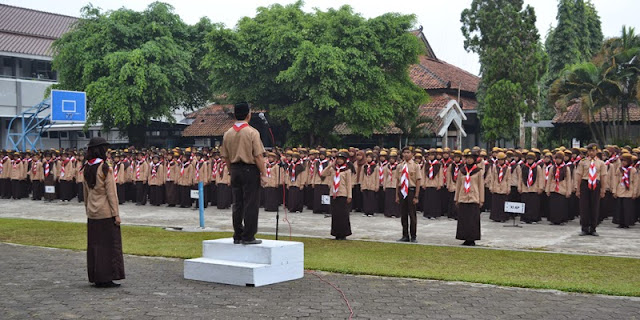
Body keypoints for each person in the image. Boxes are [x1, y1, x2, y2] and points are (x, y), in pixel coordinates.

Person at [220, 102, 267, 245]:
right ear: (249, 115)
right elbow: (258, 156)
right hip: (249, 169)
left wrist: (230, 171)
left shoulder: (228, 133)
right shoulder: (252, 132)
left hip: (234, 169)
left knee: (237, 203)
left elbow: (226, 157)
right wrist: (264, 173)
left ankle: (237, 234)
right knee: (251, 203)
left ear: (234, 115)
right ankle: (248, 236)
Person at [82, 137, 125, 288]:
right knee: (108, 246)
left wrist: (88, 209)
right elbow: (111, 194)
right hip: (106, 213)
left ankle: (96, 276)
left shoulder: (86, 167)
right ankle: (106, 277)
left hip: (92, 213)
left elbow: (86, 193)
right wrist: (116, 214)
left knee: (95, 246)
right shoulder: (105, 168)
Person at [575, 143, 607, 236]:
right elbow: (579, 176)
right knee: (584, 207)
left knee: (595, 206)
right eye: (589, 151)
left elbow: (603, 177)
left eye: (593, 150)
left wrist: (603, 189)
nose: (591, 152)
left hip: (596, 184)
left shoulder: (601, 163)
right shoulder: (583, 162)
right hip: (585, 184)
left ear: (597, 151)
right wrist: (577, 188)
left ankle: (593, 228)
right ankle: (584, 228)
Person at [454, 149, 484, 246]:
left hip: (473, 197)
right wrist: (456, 198)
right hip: (463, 197)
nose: (469, 160)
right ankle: (464, 238)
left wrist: (481, 199)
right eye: (467, 158)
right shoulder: (462, 171)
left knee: (472, 220)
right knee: (464, 219)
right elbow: (458, 185)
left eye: (471, 158)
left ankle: (472, 239)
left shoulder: (478, 171)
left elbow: (481, 186)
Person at [321, 151, 353, 240]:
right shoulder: (333, 169)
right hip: (334, 194)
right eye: (338, 159)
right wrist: (331, 165)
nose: (339, 161)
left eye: (341, 159)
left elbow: (349, 184)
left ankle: (344, 233)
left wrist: (349, 195)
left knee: (343, 215)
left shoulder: (347, 171)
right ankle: (336, 233)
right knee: (335, 215)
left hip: (343, 194)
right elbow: (323, 174)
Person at [396, 146, 421, 243]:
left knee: (412, 214)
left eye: (408, 152)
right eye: (404, 152)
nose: (406, 154)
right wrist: (397, 195)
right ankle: (405, 235)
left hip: (411, 190)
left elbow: (418, 181)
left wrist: (416, 196)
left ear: (412, 154)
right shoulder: (400, 166)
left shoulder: (415, 166)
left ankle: (413, 236)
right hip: (402, 191)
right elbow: (397, 181)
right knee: (403, 214)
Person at [546, 151, 573, 225]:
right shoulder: (552, 168)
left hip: (562, 189)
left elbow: (568, 180)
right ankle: (553, 219)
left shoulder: (566, 168)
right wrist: (547, 189)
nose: (557, 160)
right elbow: (549, 179)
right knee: (553, 205)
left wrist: (568, 191)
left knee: (561, 206)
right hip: (553, 189)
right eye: (556, 158)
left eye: (559, 159)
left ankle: (561, 220)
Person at [612, 153, 637, 228]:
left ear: (629, 161)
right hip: (620, 190)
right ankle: (620, 222)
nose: (623, 162)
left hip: (629, 190)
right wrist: (614, 190)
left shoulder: (633, 170)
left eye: (625, 161)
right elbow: (615, 181)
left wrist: (635, 193)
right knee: (620, 208)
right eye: (622, 161)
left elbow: (636, 182)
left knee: (627, 208)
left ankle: (627, 222)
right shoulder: (619, 169)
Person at [488, 152, 510, 222]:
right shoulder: (495, 167)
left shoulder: (507, 168)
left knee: (502, 204)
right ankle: (495, 217)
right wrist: (491, 186)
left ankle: (503, 217)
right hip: (496, 187)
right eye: (499, 160)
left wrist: (508, 188)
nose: (500, 161)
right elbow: (492, 178)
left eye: (502, 160)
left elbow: (509, 179)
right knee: (495, 203)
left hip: (504, 187)